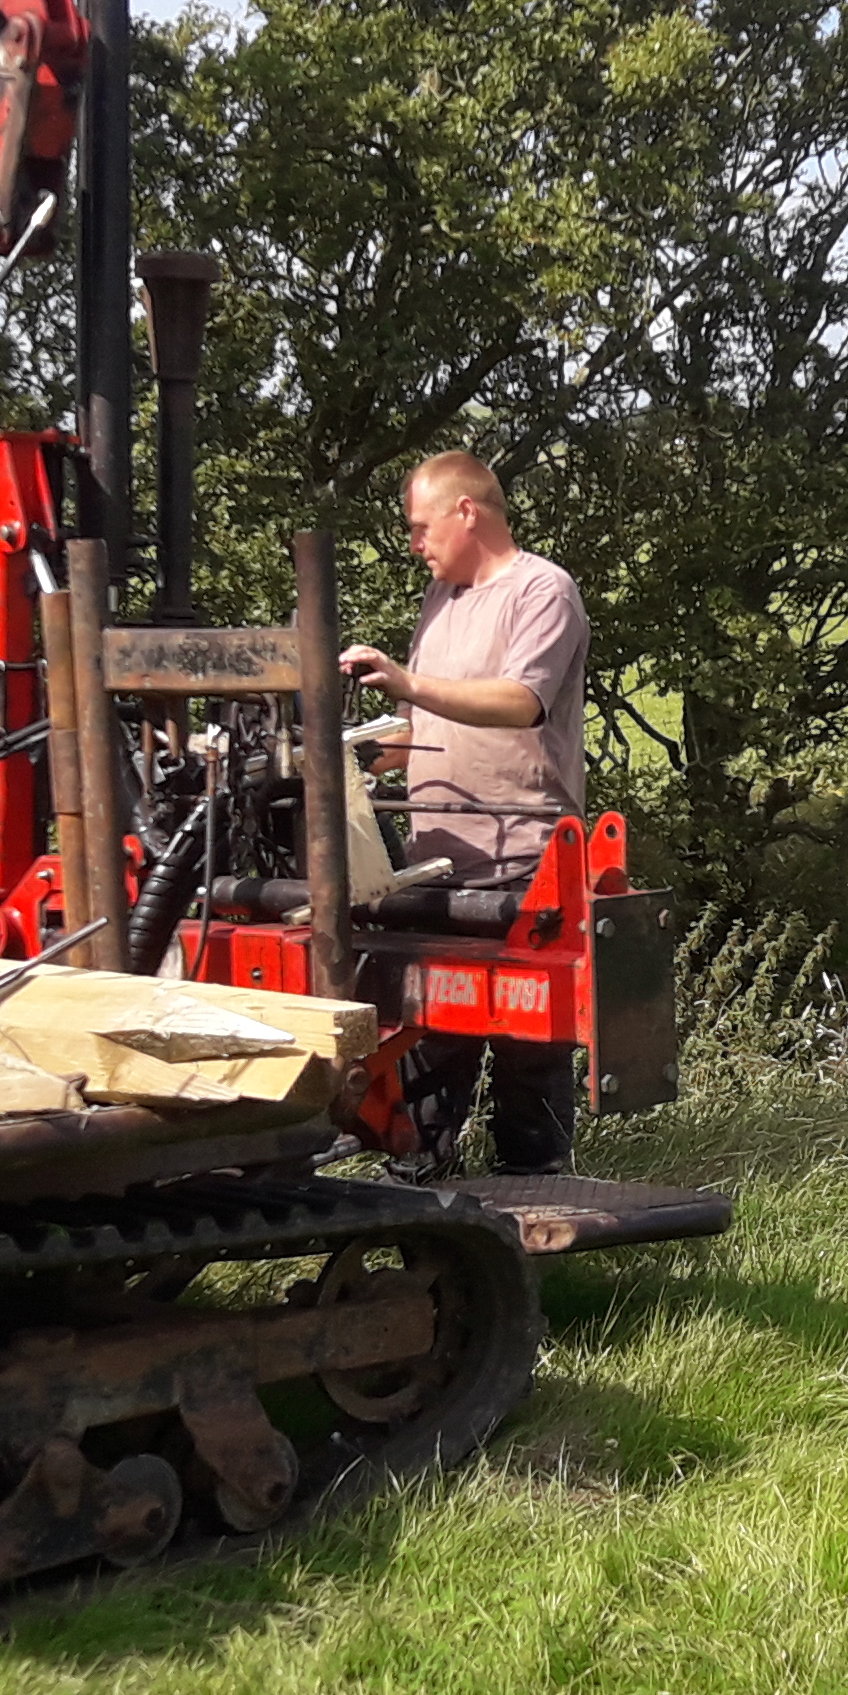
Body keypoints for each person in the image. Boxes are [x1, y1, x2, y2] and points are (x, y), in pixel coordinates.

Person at [340, 449, 589, 1174]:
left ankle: (539, 1218)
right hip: (436, 866)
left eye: (421, 528)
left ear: (466, 512)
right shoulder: (440, 601)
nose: (415, 544)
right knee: (426, 1048)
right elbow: (430, 734)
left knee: (528, 1056)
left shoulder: (542, 591)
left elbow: (519, 703)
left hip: (522, 862)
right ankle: (425, 1215)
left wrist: (406, 680)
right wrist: (358, 755)